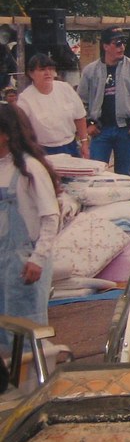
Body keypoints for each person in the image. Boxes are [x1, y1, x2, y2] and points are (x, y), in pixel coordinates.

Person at [0, 103, 61, 347]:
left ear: (6, 134)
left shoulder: (30, 169)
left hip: (24, 263)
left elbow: (51, 217)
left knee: (25, 333)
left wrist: (38, 258)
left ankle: (35, 371)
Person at [78, 26, 130, 176]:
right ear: (106, 46)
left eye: (123, 43)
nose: (122, 47)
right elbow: (81, 102)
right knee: (96, 173)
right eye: (117, 43)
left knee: (124, 175)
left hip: (126, 130)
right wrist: (89, 123)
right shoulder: (90, 71)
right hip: (100, 131)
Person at [18, 53, 89, 157]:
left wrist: (84, 143)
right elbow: (21, 130)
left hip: (70, 147)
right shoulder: (24, 99)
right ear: (31, 73)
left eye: (50, 69)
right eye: (42, 70)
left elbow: (80, 117)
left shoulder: (65, 88)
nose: (47, 73)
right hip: (42, 150)